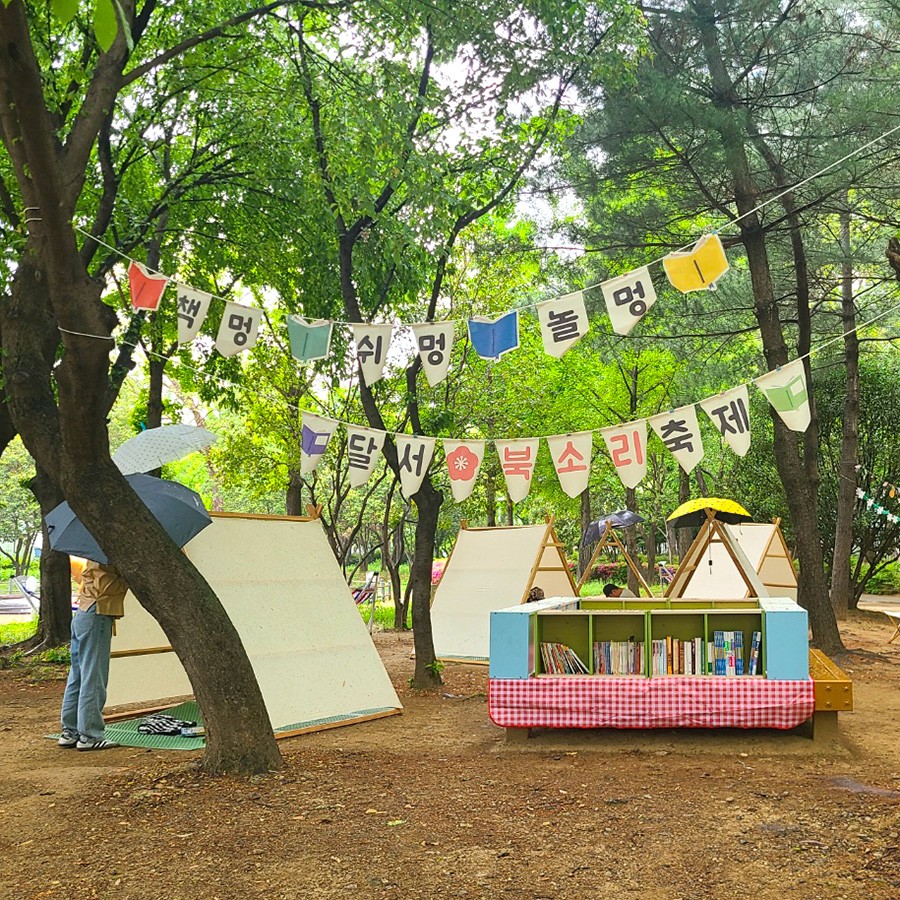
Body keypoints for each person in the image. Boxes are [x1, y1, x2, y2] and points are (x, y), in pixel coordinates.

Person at [59, 559, 128, 751]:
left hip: (83, 612)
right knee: (94, 676)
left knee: (78, 675)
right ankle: (90, 735)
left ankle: (70, 732)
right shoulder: (111, 552)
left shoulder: (93, 554)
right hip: (97, 613)